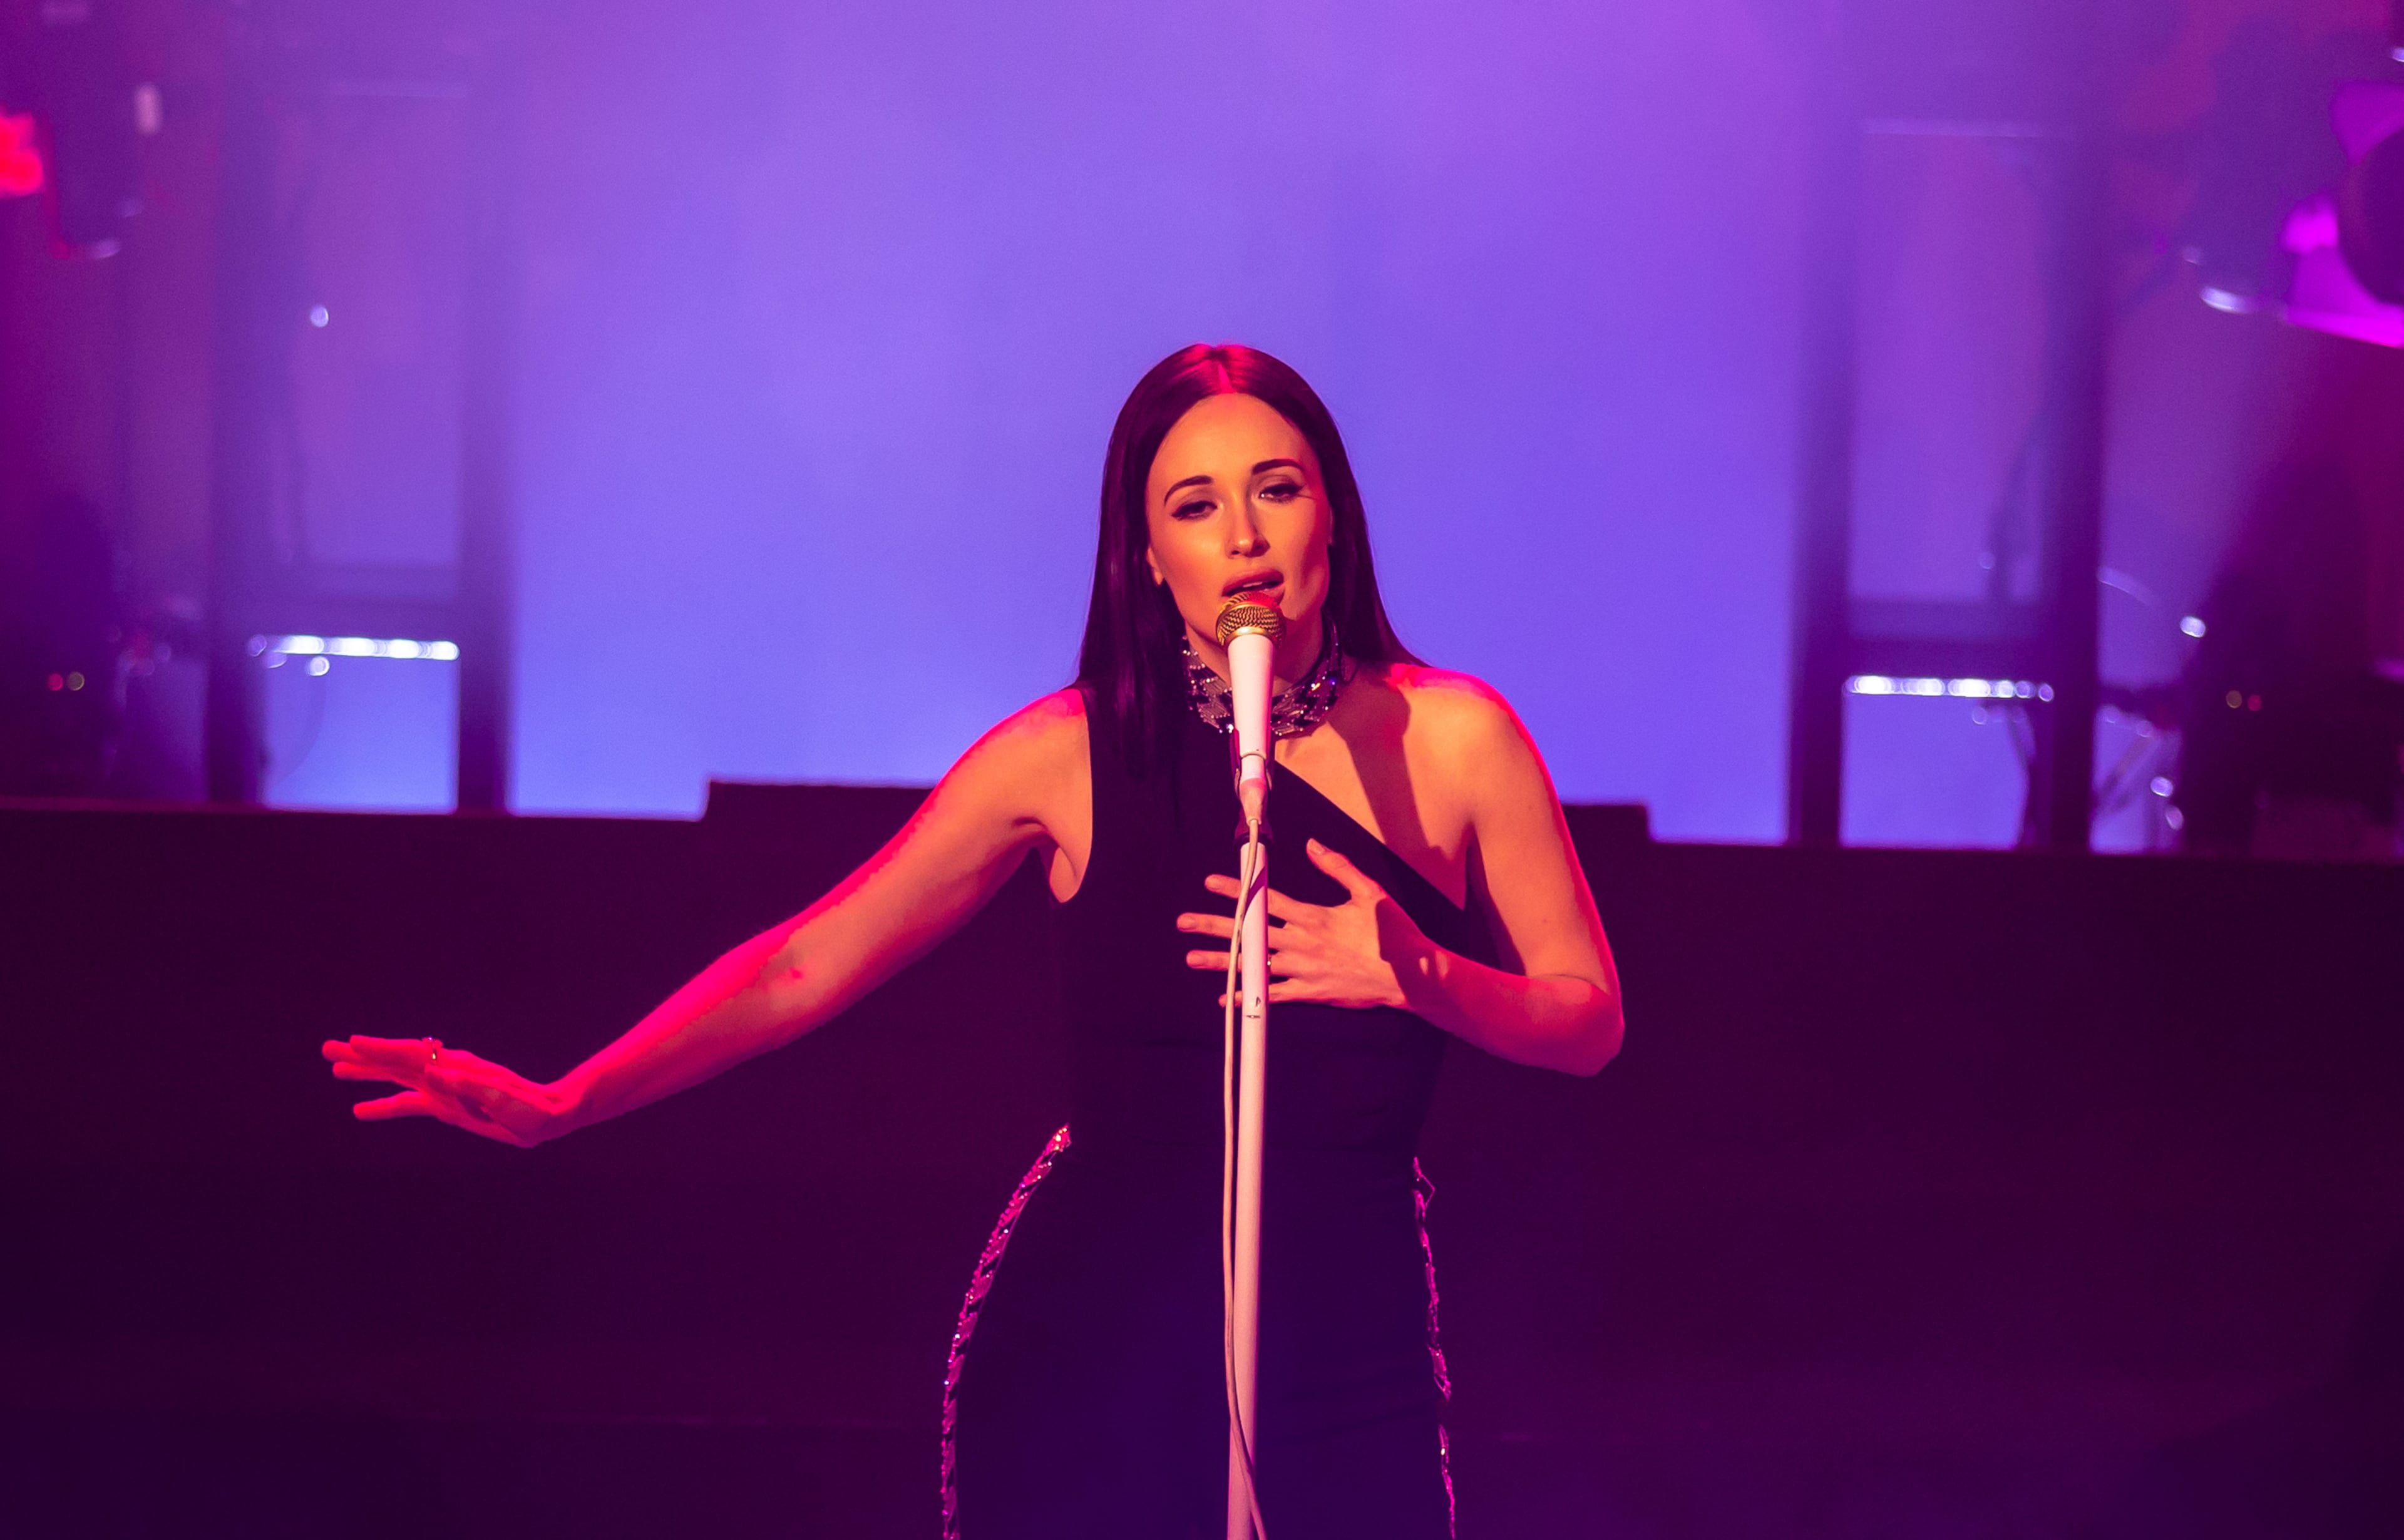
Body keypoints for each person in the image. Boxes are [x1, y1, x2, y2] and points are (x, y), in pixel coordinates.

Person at [324, 342, 1623, 1538]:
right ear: (1146, 555)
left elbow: (1588, 1019)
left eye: (1276, 489)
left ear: (1331, 508)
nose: (1244, 537)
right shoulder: (1066, 756)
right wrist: (568, 1100)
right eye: (1194, 506)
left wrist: (1426, 977)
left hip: (1349, 1342)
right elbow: (806, 963)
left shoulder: (1457, 741)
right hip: (1097, 1349)